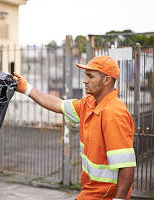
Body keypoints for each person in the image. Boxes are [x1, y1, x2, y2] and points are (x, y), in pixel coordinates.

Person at [13, 55, 136, 200]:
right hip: (90, 192)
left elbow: (127, 165)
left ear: (106, 80)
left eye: (90, 76)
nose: (85, 80)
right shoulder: (89, 103)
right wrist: (27, 88)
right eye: (85, 76)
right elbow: (58, 104)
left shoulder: (113, 113)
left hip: (105, 195)